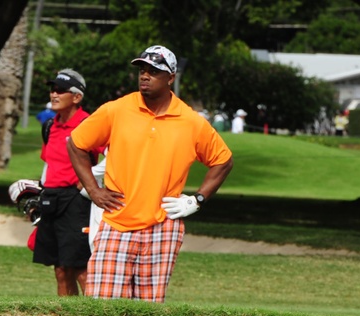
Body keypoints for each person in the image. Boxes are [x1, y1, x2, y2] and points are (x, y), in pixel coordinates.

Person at [67, 45, 234, 302]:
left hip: (163, 225)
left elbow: (223, 160)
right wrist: (93, 190)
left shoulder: (190, 121)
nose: (145, 76)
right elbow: (76, 143)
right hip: (116, 221)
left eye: (154, 71)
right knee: (101, 307)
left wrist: (197, 200)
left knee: (149, 311)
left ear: (170, 78)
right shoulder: (117, 109)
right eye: (142, 70)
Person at [33, 68, 102, 296]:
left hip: (76, 201)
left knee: (81, 266)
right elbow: (48, 164)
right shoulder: (50, 125)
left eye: (61, 90)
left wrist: (91, 180)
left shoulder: (89, 124)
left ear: (76, 97)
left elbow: (114, 154)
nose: (54, 94)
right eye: (53, 89)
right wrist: (38, 192)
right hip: (51, 199)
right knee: (61, 268)